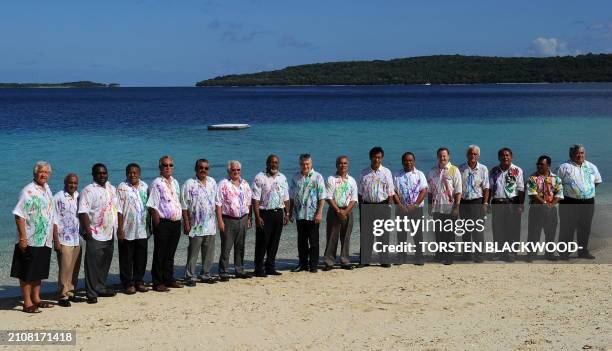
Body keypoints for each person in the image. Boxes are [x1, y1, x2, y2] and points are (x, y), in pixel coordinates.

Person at [11, 161, 56, 313]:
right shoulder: (28, 191)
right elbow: (19, 215)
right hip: (30, 238)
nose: (44, 174)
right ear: (35, 173)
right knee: (26, 271)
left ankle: (36, 298)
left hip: (44, 238)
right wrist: (23, 238)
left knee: (39, 271)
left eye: (46, 172)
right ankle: (27, 302)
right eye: (41, 172)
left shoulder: (47, 189)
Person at [78, 163, 119, 303]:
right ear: (93, 175)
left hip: (109, 232)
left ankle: (101, 287)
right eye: (99, 173)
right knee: (92, 265)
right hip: (94, 233)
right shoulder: (88, 191)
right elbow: (83, 212)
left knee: (105, 262)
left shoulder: (112, 189)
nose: (102, 175)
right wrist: (88, 231)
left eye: (104, 173)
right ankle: (91, 293)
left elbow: (116, 209)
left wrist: (118, 229)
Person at [556, 144, 602, 259]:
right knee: (567, 228)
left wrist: (585, 192)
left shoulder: (591, 167)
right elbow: (555, 184)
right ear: (571, 154)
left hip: (588, 202)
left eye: (582, 153)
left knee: (585, 227)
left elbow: (597, 181)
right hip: (569, 202)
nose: (580, 155)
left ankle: (583, 252)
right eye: (577, 153)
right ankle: (564, 253)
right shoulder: (563, 167)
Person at [147, 155, 184, 292]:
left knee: (170, 254)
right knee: (160, 253)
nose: (168, 167)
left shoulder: (175, 182)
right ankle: (158, 282)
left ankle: (169, 279)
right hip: (163, 223)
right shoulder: (157, 183)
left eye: (170, 165)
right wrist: (157, 224)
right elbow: (152, 205)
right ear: (160, 168)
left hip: (175, 222)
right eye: (165, 165)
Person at [181, 159, 218, 286]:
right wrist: (186, 222)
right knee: (193, 252)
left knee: (209, 251)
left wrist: (220, 220)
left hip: (211, 224)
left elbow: (217, 202)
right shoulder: (189, 184)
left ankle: (205, 274)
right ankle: (189, 276)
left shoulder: (212, 182)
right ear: (196, 168)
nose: (203, 170)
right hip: (195, 225)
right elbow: (184, 206)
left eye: (206, 168)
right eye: (201, 167)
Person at [252, 155, 290, 277]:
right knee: (262, 242)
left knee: (274, 242)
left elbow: (286, 197)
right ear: (267, 163)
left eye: (276, 162)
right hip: (265, 213)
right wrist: (257, 217)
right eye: (271, 162)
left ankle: (270, 267)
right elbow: (255, 200)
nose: (274, 164)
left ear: (278, 164)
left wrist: (287, 213)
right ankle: (258, 268)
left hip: (278, 212)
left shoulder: (282, 178)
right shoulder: (260, 177)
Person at [289, 154, 327, 273]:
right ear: (300, 164)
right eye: (303, 164)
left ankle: (313, 265)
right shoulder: (295, 177)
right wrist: (290, 212)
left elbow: (322, 197)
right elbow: (291, 197)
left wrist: (319, 213)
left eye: (307, 164)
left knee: (314, 242)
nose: (305, 166)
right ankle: (303, 264)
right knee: (301, 241)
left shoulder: (318, 177)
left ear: (311, 164)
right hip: (299, 214)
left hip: (313, 215)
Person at [216, 160, 253, 281]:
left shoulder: (245, 183)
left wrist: (249, 218)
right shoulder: (223, 184)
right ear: (228, 171)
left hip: (243, 218)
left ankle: (239, 269)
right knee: (226, 247)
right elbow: (218, 204)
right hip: (228, 219)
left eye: (238, 170)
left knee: (240, 246)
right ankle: (223, 271)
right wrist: (220, 221)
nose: (236, 172)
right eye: (233, 170)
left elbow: (249, 202)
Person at [358, 146, 395, 267]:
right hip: (367, 205)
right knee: (366, 234)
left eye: (379, 157)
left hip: (382, 205)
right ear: (370, 157)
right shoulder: (363, 173)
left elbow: (390, 192)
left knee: (383, 234)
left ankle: (384, 259)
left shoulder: (386, 172)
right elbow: (360, 192)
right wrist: (361, 208)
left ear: (382, 158)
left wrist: (388, 207)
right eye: (374, 157)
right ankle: (365, 260)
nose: (376, 160)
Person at [117, 163, 149, 294]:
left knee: (141, 257)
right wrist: (120, 229)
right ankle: (127, 283)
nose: (132, 174)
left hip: (142, 228)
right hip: (127, 229)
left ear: (139, 173)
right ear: (126, 174)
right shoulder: (121, 187)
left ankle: (139, 281)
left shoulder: (145, 186)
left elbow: (150, 206)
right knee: (126, 258)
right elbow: (118, 210)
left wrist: (151, 226)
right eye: (130, 172)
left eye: (135, 172)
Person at [427, 147, 462, 265]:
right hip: (437, 207)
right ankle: (439, 255)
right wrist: (429, 206)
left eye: (444, 156)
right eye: (440, 156)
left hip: (450, 207)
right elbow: (430, 191)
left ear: (449, 156)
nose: (442, 158)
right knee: (438, 233)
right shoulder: (432, 171)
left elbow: (458, 191)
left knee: (449, 234)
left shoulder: (454, 170)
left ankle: (449, 257)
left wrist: (456, 207)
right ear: (437, 157)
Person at [489, 148, 525, 262]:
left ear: (511, 157)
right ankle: (499, 252)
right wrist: (488, 202)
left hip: (512, 202)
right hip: (497, 203)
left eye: (507, 155)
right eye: (503, 155)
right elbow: (489, 188)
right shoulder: (494, 171)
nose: (505, 157)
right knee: (498, 228)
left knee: (513, 228)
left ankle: (511, 253)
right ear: (499, 157)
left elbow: (521, 189)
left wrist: (520, 204)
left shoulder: (517, 170)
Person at [323, 156, 358, 271]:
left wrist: (345, 212)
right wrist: (338, 211)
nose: (343, 165)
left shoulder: (352, 180)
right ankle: (329, 261)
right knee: (332, 236)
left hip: (348, 211)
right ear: (336, 165)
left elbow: (354, 199)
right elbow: (328, 197)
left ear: (348, 165)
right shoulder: (331, 179)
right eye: (340, 163)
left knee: (346, 237)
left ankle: (345, 260)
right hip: (334, 211)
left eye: (345, 163)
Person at [393, 152, 428, 266]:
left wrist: (415, 205)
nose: (408, 162)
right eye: (406, 160)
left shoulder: (419, 174)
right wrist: (400, 205)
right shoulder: (397, 175)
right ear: (402, 162)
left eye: (410, 160)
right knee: (401, 234)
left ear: (414, 161)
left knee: (417, 234)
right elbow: (393, 192)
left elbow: (424, 191)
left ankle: (419, 257)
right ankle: (401, 257)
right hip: (401, 209)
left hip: (416, 208)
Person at [53, 173, 82, 307]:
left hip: (76, 238)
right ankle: (62, 295)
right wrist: (56, 241)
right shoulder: (58, 197)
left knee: (74, 267)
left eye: (75, 183)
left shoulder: (78, 196)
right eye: (71, 183)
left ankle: (71, 291)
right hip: (63, 238)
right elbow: (53, 221)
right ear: (65, 183)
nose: (73, 185)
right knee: (64, 268)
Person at [526, 155, 563, 262]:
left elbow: (559, 194)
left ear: (548, 165)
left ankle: (549, 254)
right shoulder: (532, 178)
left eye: (542, 164)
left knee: (550, 233)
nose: (539, 166)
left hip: (551, 210)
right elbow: (532, 194)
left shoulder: (556, 178)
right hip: (536, 209)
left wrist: (551, 205)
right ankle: (531, 255)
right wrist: (545, 203)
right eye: (538, 164)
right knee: (533, 233)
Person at [458, 145, 489, 263]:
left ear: (478, 156)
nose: (473, 156)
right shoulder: (460, 169)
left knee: (478, 231)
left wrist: (485, 203)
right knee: (465, 230)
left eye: (475, 154)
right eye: (470, 154)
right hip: (464, 202)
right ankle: (466, 254)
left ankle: (479, 255)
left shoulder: (483, 169)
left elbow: (486, 187)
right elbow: (457, 187)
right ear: (467, 155)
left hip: (477, 201)